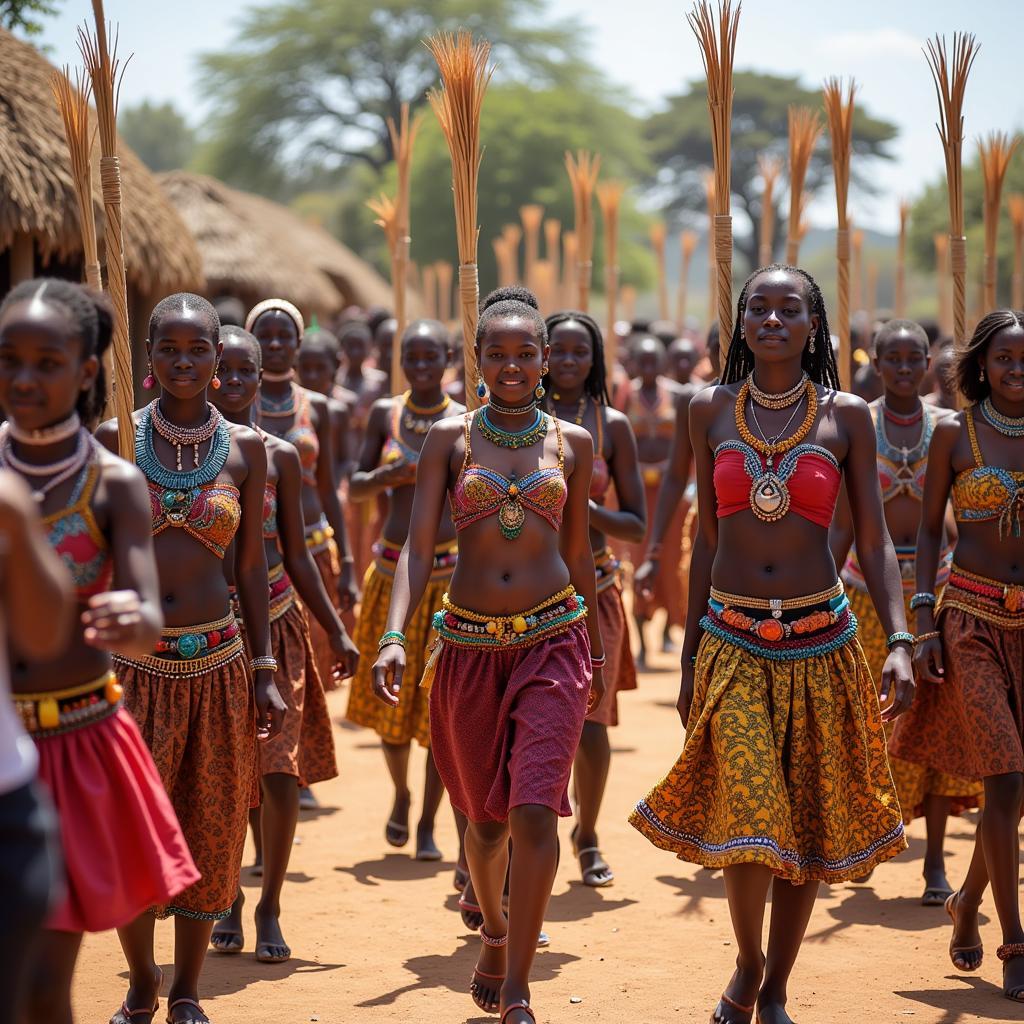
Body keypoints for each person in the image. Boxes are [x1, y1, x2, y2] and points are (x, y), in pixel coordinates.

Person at [630, 265, 912, 1024]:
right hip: (732, 637)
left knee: (805, 826)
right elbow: (708, 538)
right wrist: (690, 655)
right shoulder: (708, 409)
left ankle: (778, 985)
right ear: (740, 324)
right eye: (759, 307)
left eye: (791, 309)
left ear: (814, 325)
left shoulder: (849, 415)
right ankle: (748, 960)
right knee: (753, 812)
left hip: (821, 640)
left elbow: (876, 542)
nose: (774, 320)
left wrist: (901, 641)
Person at [373, 287, 605, 1024]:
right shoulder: (449, 438)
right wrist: (390, 632)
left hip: (553, 640)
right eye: (496, 354)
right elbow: (418, 546)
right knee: (486, 824)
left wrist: (595, 655)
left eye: (525, 354)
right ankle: (497, 933)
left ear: (544, 363)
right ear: (477, 360)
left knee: (536, 813)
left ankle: (518, 987)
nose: (512, 365)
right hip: (468, 644)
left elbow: (579, 554)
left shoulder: (573, 442)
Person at [0, 279, 200, 1024]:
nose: (24, 379)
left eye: (46, 362)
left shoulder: (112, 483)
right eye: (8, 359)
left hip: (78, 739)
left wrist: (132, 619)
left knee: (45, 981)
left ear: (87, 372)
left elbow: (148, 615)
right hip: (1, 736)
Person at [96, 293, 286, 1024]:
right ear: (147, 362)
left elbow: (250, 572)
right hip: (131, 669)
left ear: (218, 357)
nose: (183, 362)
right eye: (168, 349)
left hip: (219, 663)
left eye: (197, 349)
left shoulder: (247, 449)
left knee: (209, 828)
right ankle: (142, 980)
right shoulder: (115, 440)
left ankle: (186, 990)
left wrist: (266, 670)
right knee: (130, 827)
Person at [209, 325, 357, 962]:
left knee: (278, 771)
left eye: (250, 370)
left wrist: (339, 631)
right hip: (206, 636)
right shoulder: (170, 453)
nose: (238, 382)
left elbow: (296, 554)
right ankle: (229, 897)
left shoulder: (280, 456)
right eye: (228, 370)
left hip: (278, 623)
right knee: (227, 773)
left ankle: (268, 901)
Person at [889, 310, 1024, 1002]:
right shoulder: (955, 433)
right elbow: (930, 545)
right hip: (969, 619)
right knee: (1002, 777)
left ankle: (966, 901)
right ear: (983, 363)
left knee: (1017, 789)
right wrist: (921, 628)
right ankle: (1016, 941)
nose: (1016, 372)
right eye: (1005, 359)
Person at [830, 319, 981, 903]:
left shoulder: (949, 428)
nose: (901, 368)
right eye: (890, 358)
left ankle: (935, 863)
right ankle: (869, 833)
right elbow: (843, 522)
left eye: (912, 358)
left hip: (941, 591)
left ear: (929, 365)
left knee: (938, 724)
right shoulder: (852, 422)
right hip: (865, 591)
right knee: (868, 720)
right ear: (878, 362)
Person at [345, 319, 464, 861]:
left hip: (452, 577)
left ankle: (428, 822)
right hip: (394, 573)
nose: (421, 368)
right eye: (411, 358)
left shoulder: (466, 420)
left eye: (430, 357)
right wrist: (392, 476)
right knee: (393, 708)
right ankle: (400, 792)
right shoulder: (384, 414)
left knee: (443, 711)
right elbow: (356, 482)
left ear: (448, 359)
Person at [543, 310, 645, 888]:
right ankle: (526, 836)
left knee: (590, 722)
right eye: (557, 350)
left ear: (596, 358)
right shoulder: (514, 420)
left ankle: (587, 833)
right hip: (528, 592)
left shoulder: (611, 426)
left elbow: (635, 523)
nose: (568, 362)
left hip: (594, 590)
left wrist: (581, 506)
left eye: (580, 352)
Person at [249, 299, 357, 702]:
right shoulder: (237, 405)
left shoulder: (320, 408)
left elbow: (328, 487)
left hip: (311, 547)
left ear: (298, 343)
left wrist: (346, 560)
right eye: (265, 336)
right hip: (258, 557)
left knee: (313, 675)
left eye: (284, 337)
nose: (275, 344)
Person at [0, 468, 74, 1024]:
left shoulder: (7, 496)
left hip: (9, 805)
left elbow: (46, 635)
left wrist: (20, 521)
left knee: (37, 992)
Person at [620, 334, 686, 665]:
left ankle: (665, 630)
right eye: (642, 362)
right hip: (636, 490)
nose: (648, 368)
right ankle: (643, 642)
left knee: (670, 559)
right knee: (638, 555)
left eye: (654, 362)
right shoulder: (624, 394)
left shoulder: (675, 396)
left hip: (669, 491)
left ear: (662, 364)